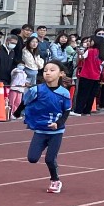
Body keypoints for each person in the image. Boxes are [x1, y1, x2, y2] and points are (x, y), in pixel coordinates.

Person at [18, 60, 71, 194]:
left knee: (49, 159)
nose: (48, 73)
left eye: (52, 70)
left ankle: (55, 180)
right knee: (32, 158)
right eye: (45, 70)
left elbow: (66, 112)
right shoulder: (36, 90)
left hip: (56, 132)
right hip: (40, 130)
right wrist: (16, 113)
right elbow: (24, 102)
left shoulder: (64, 93)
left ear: (61, 74)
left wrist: (58, 124)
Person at [74, 35, 104, 116]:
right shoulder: (101, 52)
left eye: (90, 41)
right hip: (96, 76)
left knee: (82, 94)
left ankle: (78, 110)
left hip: (86, 75)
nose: (88, 42)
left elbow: (82, 58)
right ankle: (87, 110)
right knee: (91, 95)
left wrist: (79, 53)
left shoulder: (90, 50)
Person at [7, 53, 28, 120]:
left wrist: (27, 83)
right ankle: (10, 114)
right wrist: (19, 70)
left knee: (18, 102)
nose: (21, 66)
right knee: (11, 101)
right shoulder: (15, 70)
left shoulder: (24, 73)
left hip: (20, 89)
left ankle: (15, 113)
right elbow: (15, 73)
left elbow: (24, 80)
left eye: (23, 65)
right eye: (20, 64)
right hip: (14, 88)